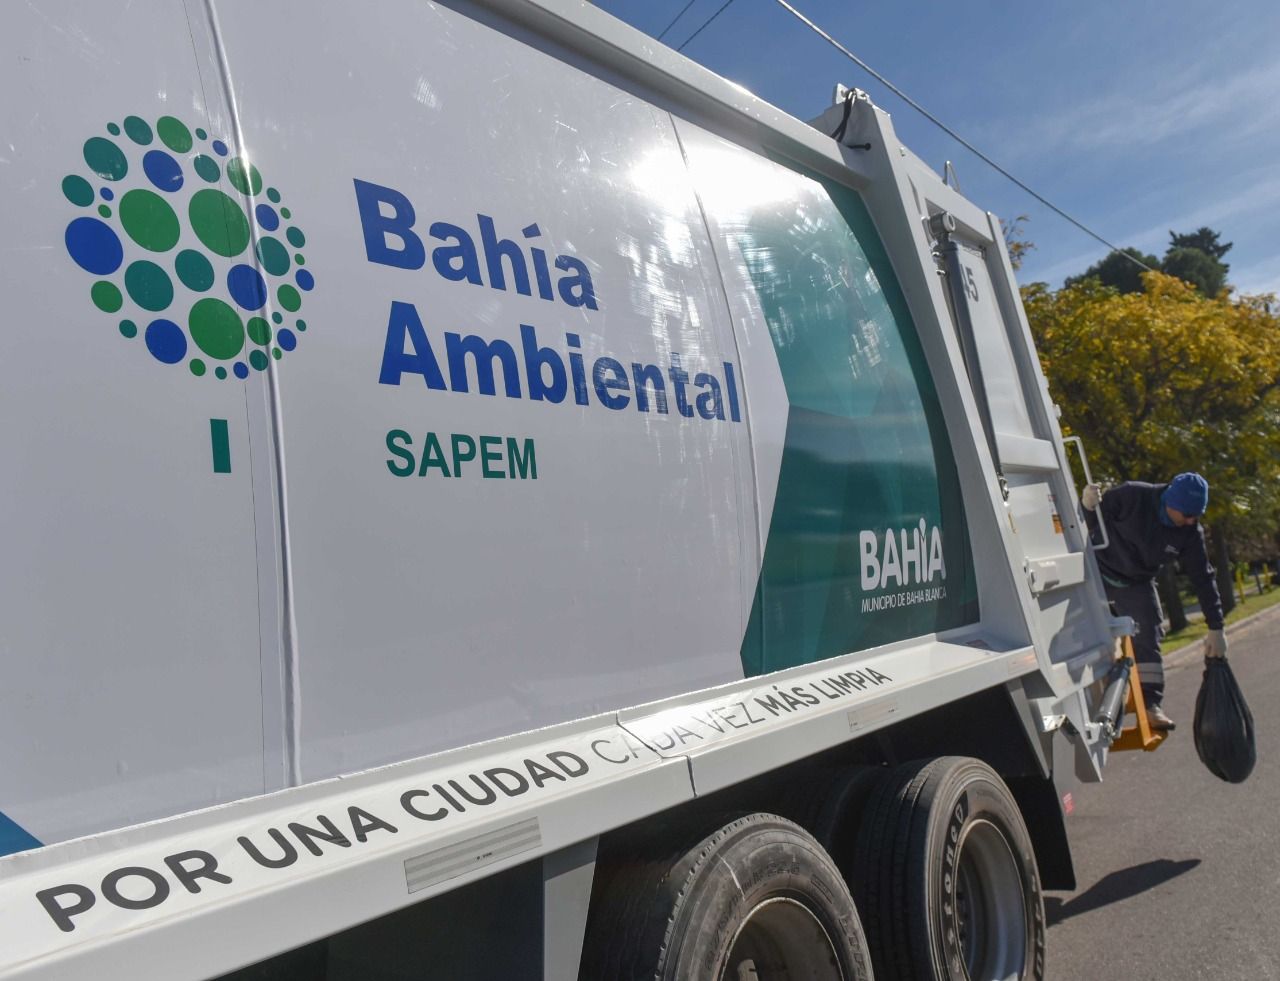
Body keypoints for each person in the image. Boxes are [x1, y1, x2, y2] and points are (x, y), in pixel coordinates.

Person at [1081, 472, 1227, 731]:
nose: (1191, 521)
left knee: (1148, 633)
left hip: (1137, 582)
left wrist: (1216, 627)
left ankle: (1150, 705)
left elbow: (1203, 578)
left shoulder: (1189, 532)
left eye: (1197, 516)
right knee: (1088, 640)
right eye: (1187, 515)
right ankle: (1091, 708)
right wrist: (1087, 506)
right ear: (1170, 501)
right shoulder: (1131, 496)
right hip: (1095, 574)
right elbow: (1088, 524)